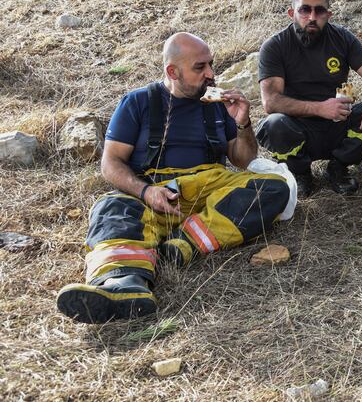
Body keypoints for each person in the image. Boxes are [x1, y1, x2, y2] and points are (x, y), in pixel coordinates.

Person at [57, 33, 291, 324]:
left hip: (209, 185)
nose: (211, 74)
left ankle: (181, 246)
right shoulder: (137, 103)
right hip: (156, 190)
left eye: (211, 65)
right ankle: (123, 284)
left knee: (273, 187)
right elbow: (111, 163)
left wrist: (242, 122)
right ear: (172, 71)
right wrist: (145, 192)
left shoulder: (216, 103)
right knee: (112, 207)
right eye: (200, 67)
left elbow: (243, 160)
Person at [256, 0, 362, 196]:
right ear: (292, 12)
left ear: (328, 14)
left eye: (319, 10)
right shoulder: (275, 46)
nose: (312, 16)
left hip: (338, 124)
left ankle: (338, 167)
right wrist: (320, 108)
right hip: (298, 129)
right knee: (274, 124)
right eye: (305, 9)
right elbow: (271, 101)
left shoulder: (342, 38)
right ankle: (300, 173)